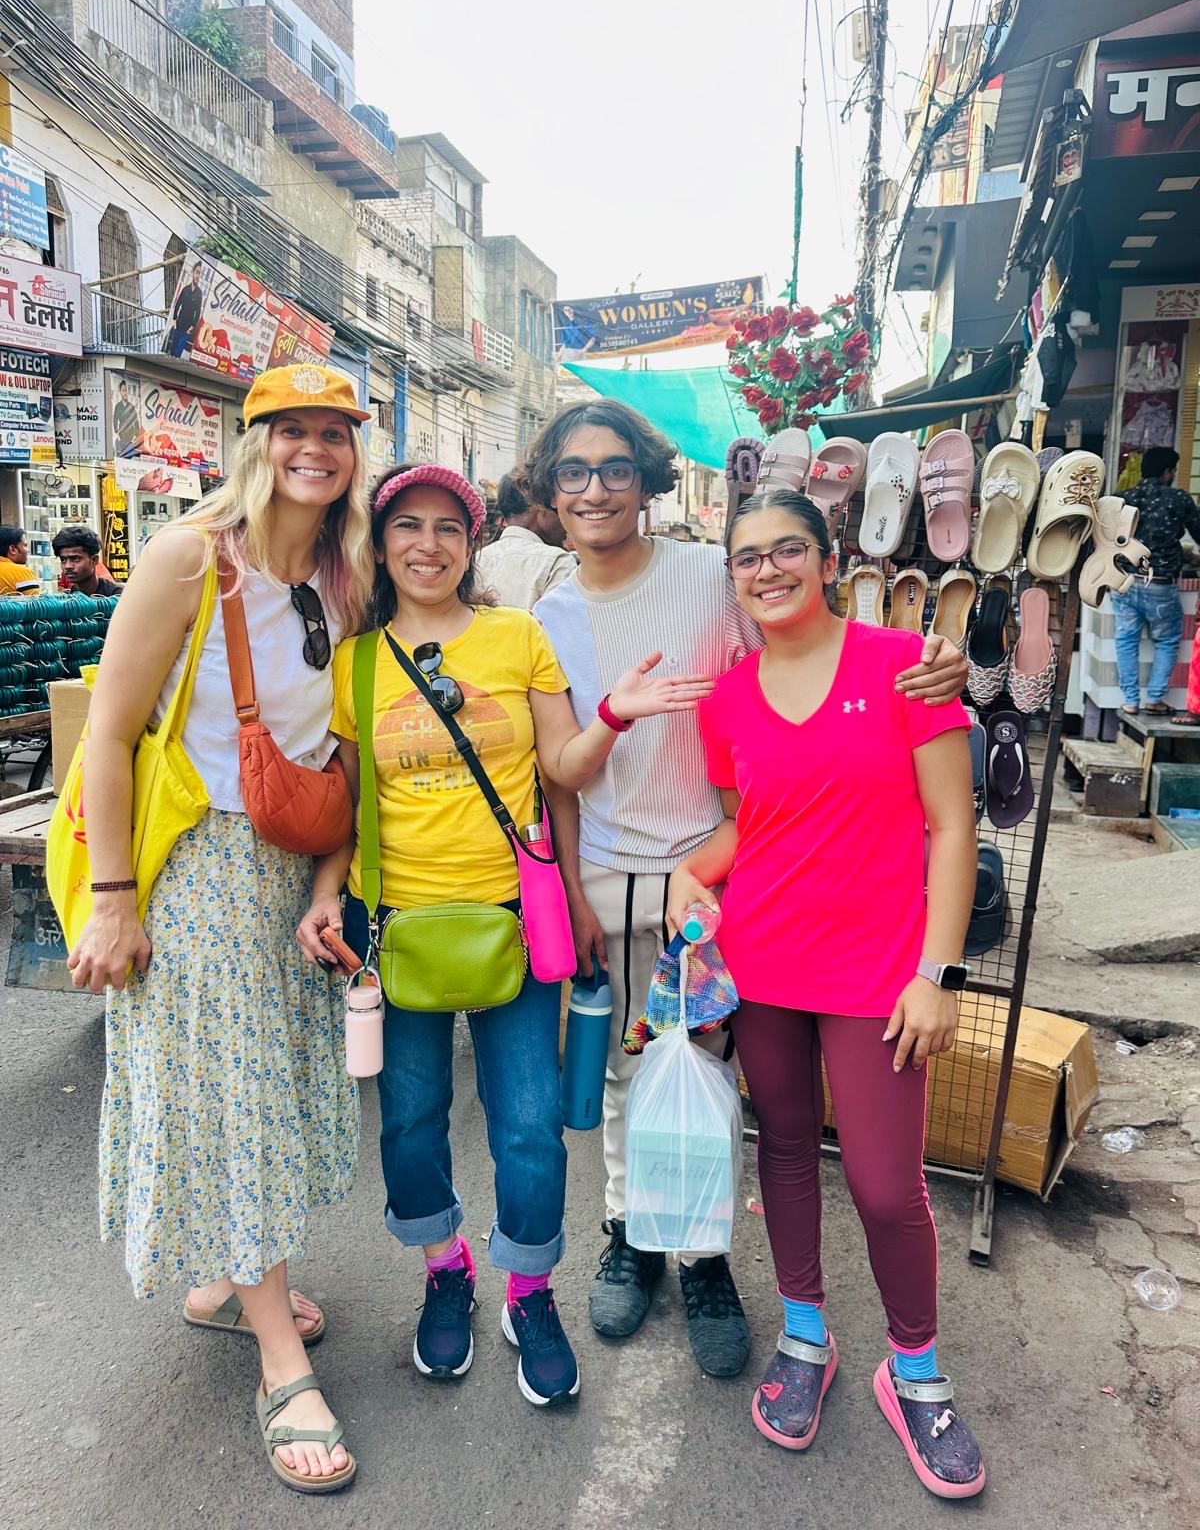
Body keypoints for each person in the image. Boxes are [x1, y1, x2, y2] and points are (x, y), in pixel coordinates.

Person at [525, 399, 969, 1380]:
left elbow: (800, 646)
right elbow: (558, 767)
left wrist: (937, 659)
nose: (594, 489)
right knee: (626, 1072)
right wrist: (574, 892)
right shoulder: (547, 614)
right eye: (572, 472)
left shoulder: (708, 575)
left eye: (613, 469)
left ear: (647, 480)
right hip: (610, 871)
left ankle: (705, 1256)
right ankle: (632, 1237)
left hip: (717, 878)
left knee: (709, 1078)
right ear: (549, 493)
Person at [297, 461, 707, 1408]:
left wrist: (612, 716)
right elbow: (349, 808)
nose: (428, 545)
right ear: (382, 543)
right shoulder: (355, 664)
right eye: (409, 527)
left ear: (471, 542)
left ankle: (529, 1289)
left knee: (528, 1127)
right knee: (408, 1122)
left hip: (514, 926)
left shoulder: (516, 637)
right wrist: (328, 893)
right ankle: (445, 1269)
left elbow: (561, 769)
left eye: (448, 527)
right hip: (393, 926)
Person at [66, 365, 376, 1495]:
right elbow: (106, 735)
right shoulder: (191, 557)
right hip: (196, 869)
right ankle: (278, 1362)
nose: (314, 450)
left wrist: (327, 879)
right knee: (232, 1097)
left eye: (332, 433)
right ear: (254, 445)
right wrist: (114, 898)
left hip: (287, 870)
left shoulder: (344, 577)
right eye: (290, 430)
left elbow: (341, 750)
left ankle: (226, 1279)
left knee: (258, 1085)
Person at [669, 490, 984, 1497]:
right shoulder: (728, 697)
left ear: (828, 554)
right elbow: (751, 824)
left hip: (880, 975)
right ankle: (805, 1336)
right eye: (748, 555)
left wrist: (937, 973)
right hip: (763, 965)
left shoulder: (903, 665)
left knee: (889, 1186)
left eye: (787, 549)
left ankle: (916, 1369)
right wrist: (693, 871)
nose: (768, 569)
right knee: (789, 1152)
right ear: (733, 572)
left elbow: (951, 826)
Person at [1116, 446, 1200, 715]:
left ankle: (1130, 701)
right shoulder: (1178, 499)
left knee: (1126, 640)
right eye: (1173, 470)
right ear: (1167, 472)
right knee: (1166, 640)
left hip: (1126, 581)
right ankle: (1154, 699)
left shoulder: (1123, 498)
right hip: (1161, 585)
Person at [475, 470, 576, 608]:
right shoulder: (557, 562)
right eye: (557, 508)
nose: (565, 520)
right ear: (539, 505)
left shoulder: (475, 560)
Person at [51, 524, 122, 596]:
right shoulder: (66, 600)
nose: (67, 566)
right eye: (63, 560)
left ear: (94, 560)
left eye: (76, 559)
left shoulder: (119, 597)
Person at [168, 260, 205, 359]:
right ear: (193, 273)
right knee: (172, 351)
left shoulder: (199, 294)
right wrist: (175, 322)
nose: (198, 275)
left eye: (200, 273)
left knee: (178, 353)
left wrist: (192, 327)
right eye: (197, 272)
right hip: (178, 325)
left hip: (187, 329)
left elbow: (197, 313)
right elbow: (177, 305)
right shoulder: (185, 289)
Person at [0, 525, 40, 595]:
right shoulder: (22, 572)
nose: (28, 550)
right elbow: (36, 605)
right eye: (25, 545)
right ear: (12, 549)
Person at [111, 378, 141, 456]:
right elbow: (115, 420)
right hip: (121, 437)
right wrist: (117, 433)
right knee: (119, 458)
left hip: (131, 439)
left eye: (126, 390)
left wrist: (135, 435)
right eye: (123, 390)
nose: (125, 392)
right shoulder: (118, 406)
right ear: (120, 392)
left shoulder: (131, 407)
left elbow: (136, 422)